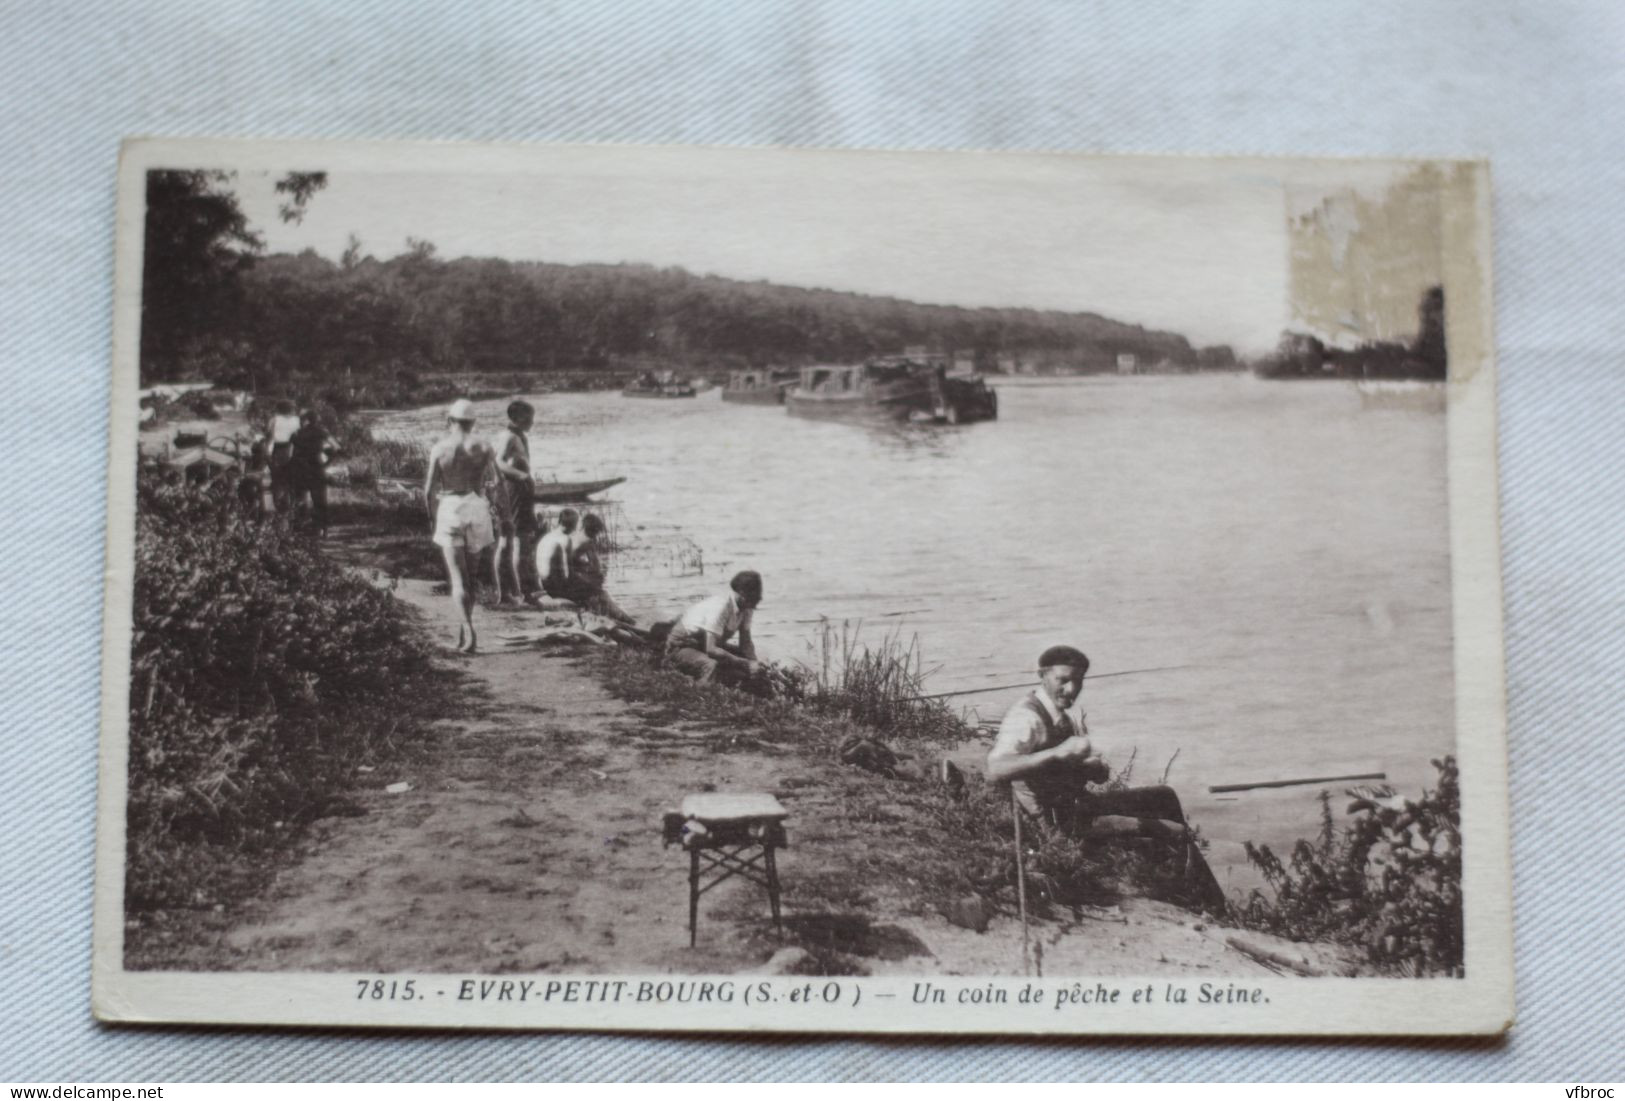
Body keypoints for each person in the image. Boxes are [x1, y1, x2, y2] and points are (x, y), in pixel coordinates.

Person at [986, 644, 1225, 910]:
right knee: (1176, 832)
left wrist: (1091, 769)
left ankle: (1198, 892)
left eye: (1078, 681)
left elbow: (1058, 773)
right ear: (1042, 675)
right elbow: (996, 769)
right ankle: (1208, 906)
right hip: (1057, 824)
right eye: (1063, 680)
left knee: (1163, 796)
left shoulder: (1060, 715)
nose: (1072, 689)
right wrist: (1056, 753)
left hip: (1077, 806)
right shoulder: (1026, 717)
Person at [425, 398, 497, 653]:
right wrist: (505, 516)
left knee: (458, 579)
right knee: (472, 579)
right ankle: (464, 629)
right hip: (477, 507)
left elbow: (428, 490)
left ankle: (467, 629)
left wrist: (432, 519)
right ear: (473, 422)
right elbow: (496, 483)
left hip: (450, 507)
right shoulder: (484, 446)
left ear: (449, 421)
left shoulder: (440, 448)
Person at [665, 570, 764, 687]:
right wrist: (743, 662)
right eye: (755, 597)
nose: (757, 602)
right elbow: (711, 649)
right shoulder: (721, 606)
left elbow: (746, 642)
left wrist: (754, 662)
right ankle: (697, 692)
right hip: (681, 645)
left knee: (743, 662)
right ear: (742, 594)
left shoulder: (747, 606)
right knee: (711, 665)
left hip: (702, 645)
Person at [488, 400, 538, 605]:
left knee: (515, 541)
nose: (532, 422)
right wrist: (522, 476)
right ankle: (518, 593)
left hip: (518, 492)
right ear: (516, 418)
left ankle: (513, 592)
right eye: (528, 418)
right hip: (514, 491)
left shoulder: (517, 436)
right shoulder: (509, 437)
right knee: (516, 541)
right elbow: (497, 462)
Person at [548, 512, 635, 624]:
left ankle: (622, 619)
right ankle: (627, 621)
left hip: (557, 584)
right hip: (563, 587)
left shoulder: (574, 538)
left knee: (600, 594)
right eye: (595, 533)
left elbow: (578, 567)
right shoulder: (583, 542)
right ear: (594, 532)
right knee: (600, 595)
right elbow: (577, 570)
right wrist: (591, 580)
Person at [288, 408, 334, 533]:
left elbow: (290, 454)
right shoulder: (323, 432)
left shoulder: (297, 433)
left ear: (306, 420)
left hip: (301, 467)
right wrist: (327, 463)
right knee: (320, 499)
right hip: (317, 466)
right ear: (317, 420)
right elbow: (335, 448)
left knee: (300, 498)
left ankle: (299, 526)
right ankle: (322, 528)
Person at [532, 508, 578, 600]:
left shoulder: (547, 536)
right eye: (575, 526)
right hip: (554, 587)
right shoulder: (565, 539)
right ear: (572, 526)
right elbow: (567, 572)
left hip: (543, 582)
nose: (575, 529)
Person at [267, 400, 300, 513]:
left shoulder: (274, 419)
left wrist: (268, 455)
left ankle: (280, 506)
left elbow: (270, 437)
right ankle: (290, 505)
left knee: (277, 477)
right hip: (294, 449)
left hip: (278, 449)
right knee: (289, 478)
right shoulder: (296, 420)